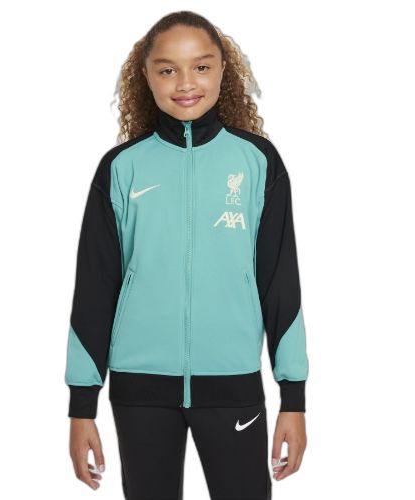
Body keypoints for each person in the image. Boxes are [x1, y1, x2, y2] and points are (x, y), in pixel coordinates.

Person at [64, 10, 309, 499]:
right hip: (139, 390)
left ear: (223, 70)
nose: (185, 83)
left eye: (201, 66)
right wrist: (81, 407)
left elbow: (280, 283)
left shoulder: (258, 162)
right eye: (167, 69)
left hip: (232, 383)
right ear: (146, 75)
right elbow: (94, 289)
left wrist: (293, 398)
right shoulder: (122, 168)